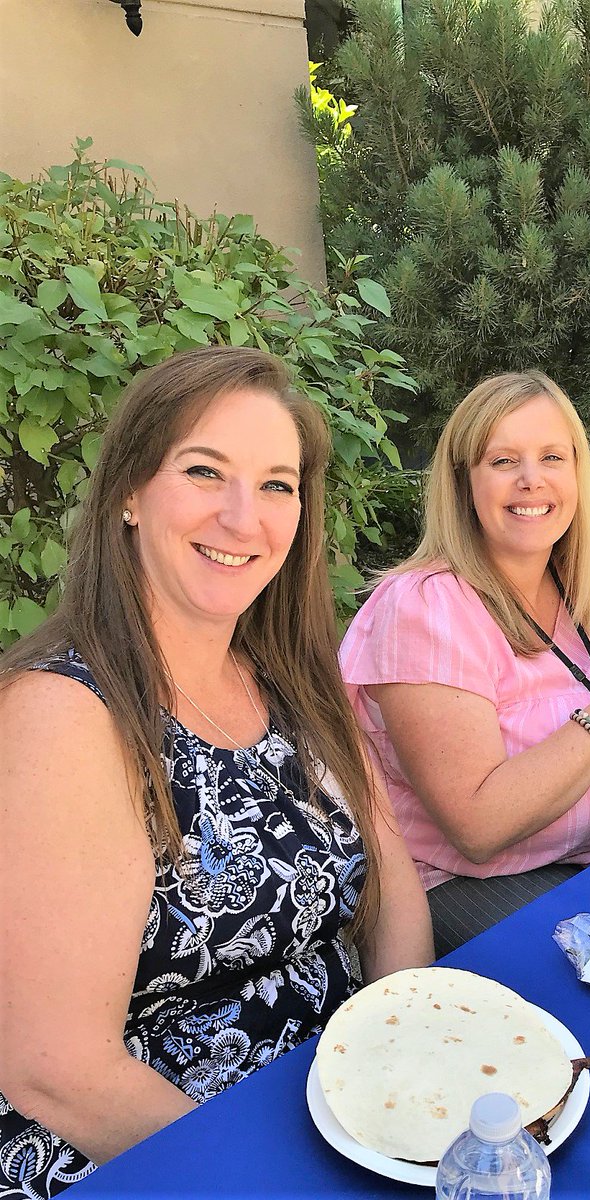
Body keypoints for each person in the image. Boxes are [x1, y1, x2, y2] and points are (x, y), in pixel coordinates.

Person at [0, 347, 433, 1198]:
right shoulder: (62, 717)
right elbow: (57, 1071)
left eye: (277, 484)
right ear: (129, 493)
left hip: (346, 1108)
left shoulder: (288, 674)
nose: (244, 518)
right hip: (156, 1156)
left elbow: (391, 887)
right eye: (204, 471)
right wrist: (280, 1181)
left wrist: (412, 1063)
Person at [340, 371, 590, 956]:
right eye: (503, 461)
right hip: (482, 881)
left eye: (552, 457)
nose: (532, 479)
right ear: (462, 483)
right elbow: (479, 827)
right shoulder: (424, 608)